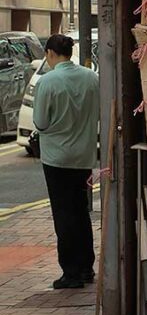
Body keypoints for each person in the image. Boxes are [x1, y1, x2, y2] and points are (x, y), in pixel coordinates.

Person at [32, 35, 100, 290]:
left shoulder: (47, 82)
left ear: (50, 53)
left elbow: (40, 122)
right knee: (81, 212)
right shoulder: (91, 78)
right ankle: (86, 268)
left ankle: (70, 272)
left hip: (56, 159)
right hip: (83, 156)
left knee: (64, 215)